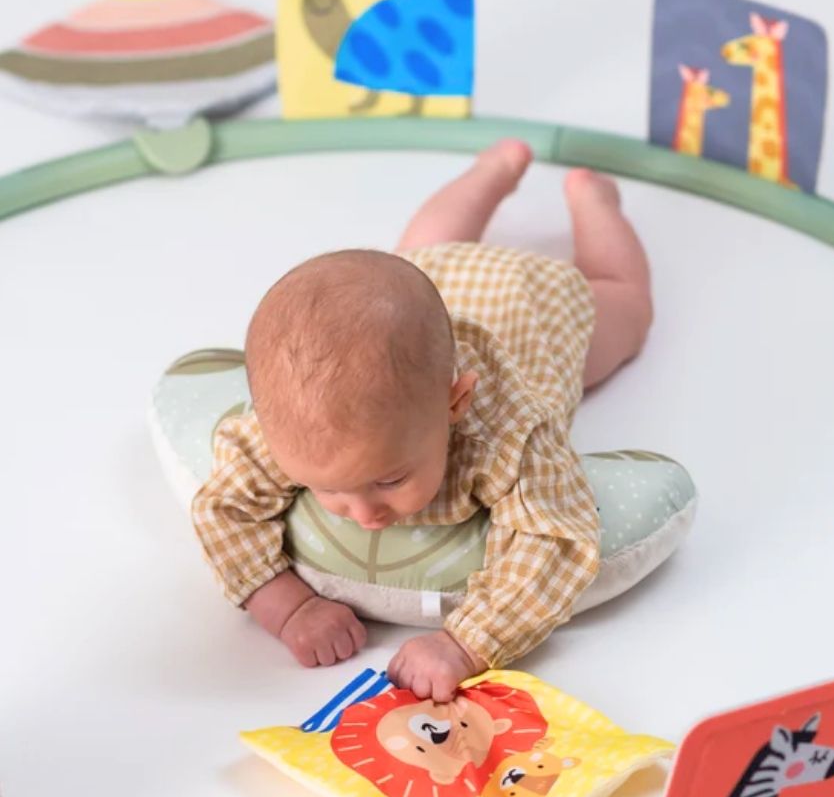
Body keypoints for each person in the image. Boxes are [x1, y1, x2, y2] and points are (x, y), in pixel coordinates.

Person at [192, 139, 653, 702]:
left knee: (624, 304)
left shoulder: (503, 431)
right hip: (430, 275)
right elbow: (223, 506)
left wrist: (466, 644)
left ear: (454, 404)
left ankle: (595, 201)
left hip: (535, 308)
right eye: (329, 488)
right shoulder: (294, 419)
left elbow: (554, 538)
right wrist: (287, 606)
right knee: (421, 249)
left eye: (389, 480)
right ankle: (494, 169)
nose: (364, 515)